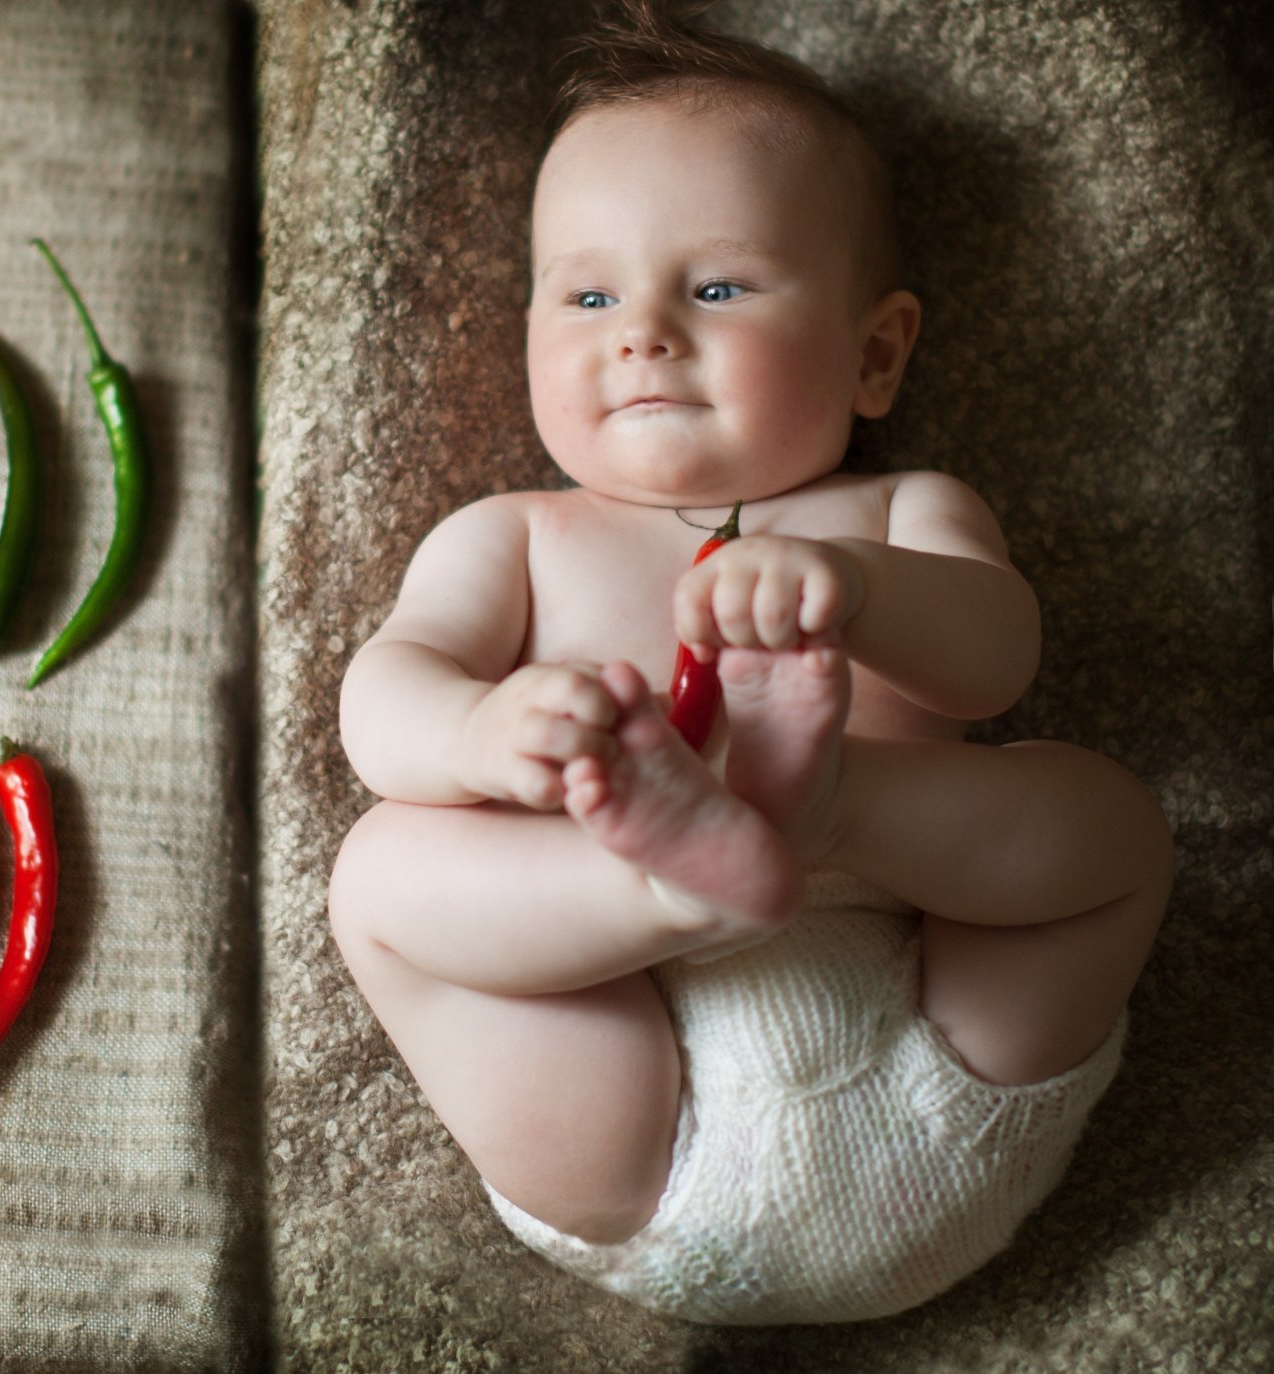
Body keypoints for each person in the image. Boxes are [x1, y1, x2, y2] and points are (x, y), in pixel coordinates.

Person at [325, 0, 1173, 1325]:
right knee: (378, 869)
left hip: (947, 1057)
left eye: (717, 286)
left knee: (1113, 823)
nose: (643, 329)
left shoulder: (898, 515)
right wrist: (482, 733)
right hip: (631, 1121)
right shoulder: (515, 539)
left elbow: (998, 660)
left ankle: (825, 806)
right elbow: (381, 702)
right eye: (589, 292)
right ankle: (681, 888)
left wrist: (862, 592)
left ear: (876, 352)